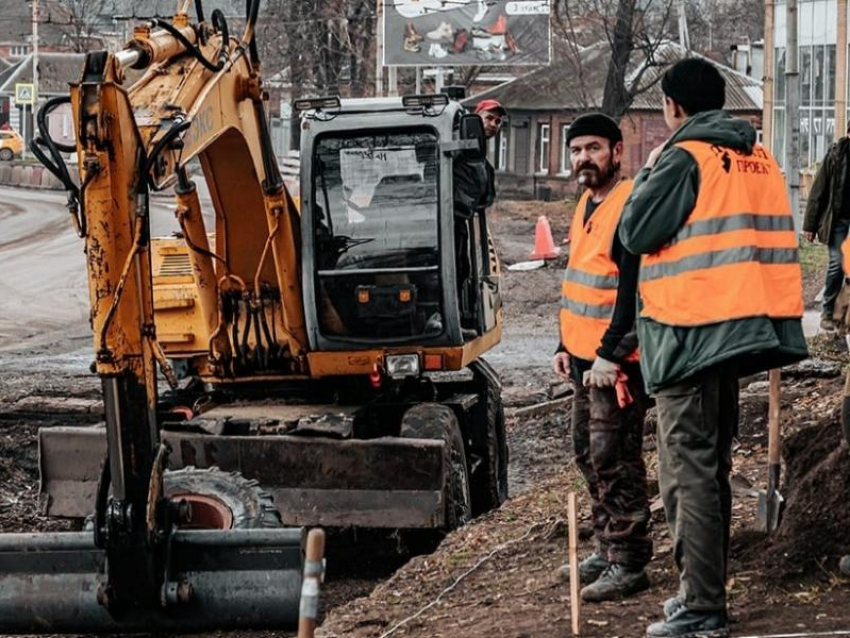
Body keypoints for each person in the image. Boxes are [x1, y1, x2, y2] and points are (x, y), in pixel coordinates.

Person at [619, 58, 808, 637]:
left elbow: (634, 231)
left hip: (689, 331)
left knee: (688, 473)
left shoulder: (684, 157)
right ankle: (701, 595)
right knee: (712, 466)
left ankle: (701, 605)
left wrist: (650, 169)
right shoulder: (756, 156)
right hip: (741, 330)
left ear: (672, 106)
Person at [553, 113, 652, 602]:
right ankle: (607, 544)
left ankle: (629, 560)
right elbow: (583, 280)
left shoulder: (627, 205)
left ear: (616, 151)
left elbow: (633, 292)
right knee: (587, 454)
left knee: (616, 459)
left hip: (614, 365)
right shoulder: (587, 202)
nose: (582, 159)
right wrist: (563, 346)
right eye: (575, 150)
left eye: (592, 148)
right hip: (583, 359)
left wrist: (611, 355)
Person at [803, 123, 850, 332]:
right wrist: (810, 226)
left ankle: (843, 317)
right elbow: (818, 191)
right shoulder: (835, 155)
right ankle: (828, 312)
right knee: (837, 263)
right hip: (838, 220)